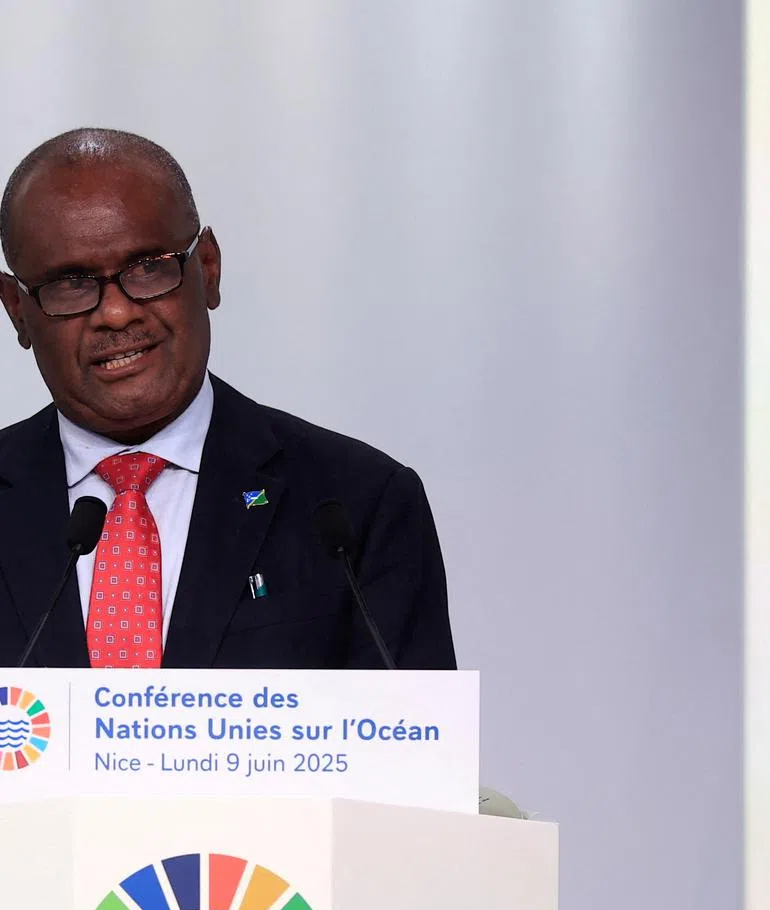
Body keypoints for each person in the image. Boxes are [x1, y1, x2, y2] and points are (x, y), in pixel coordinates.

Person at [0, 128, 456, 669]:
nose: (117, 313)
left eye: (149, 267)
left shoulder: (358, 505)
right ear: (17, 310)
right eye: (70, 283)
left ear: (208, 269)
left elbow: (412, 745)